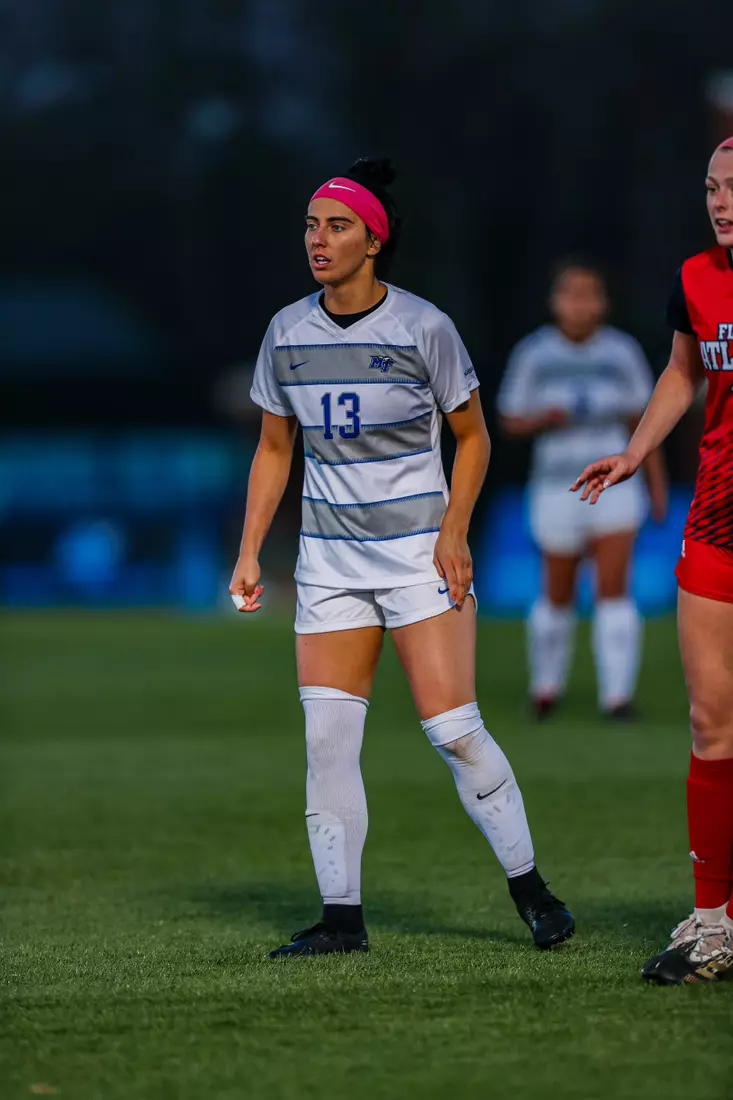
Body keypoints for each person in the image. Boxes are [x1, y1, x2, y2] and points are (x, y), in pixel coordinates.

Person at [230, 157, 574, 957]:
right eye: (311, 225)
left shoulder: (424, 327)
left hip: (418, 558)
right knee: (325, 743)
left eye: (337, 226)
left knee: (454, 730)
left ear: (374, 240)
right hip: (328, 565)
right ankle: (340, 920)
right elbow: (275, 449)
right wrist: (249, 551)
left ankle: (532, 891)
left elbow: (472, 437)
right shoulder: (286, 331)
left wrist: (453, 532)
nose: (318, 240)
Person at [571, 137, 733, 985]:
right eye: (710, 187)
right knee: (710, 723)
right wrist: (635, 452)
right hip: (715, 521)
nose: (719, 201)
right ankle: (713, 922)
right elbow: (680, 373)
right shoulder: (695, 277)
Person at [498, 260, 668, 720]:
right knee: (557, 590)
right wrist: (542, 420)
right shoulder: (535, 353)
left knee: (614, 588)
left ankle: (617, 698)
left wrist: (656, 485)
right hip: (557, 486)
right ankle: (545, 689)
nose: (579, 304)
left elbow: (644, 422)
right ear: (554, 301)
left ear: (603, 303)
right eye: (570, 294)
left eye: (589, 294)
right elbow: (508, 418)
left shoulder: (621, 352)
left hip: (614, 486)